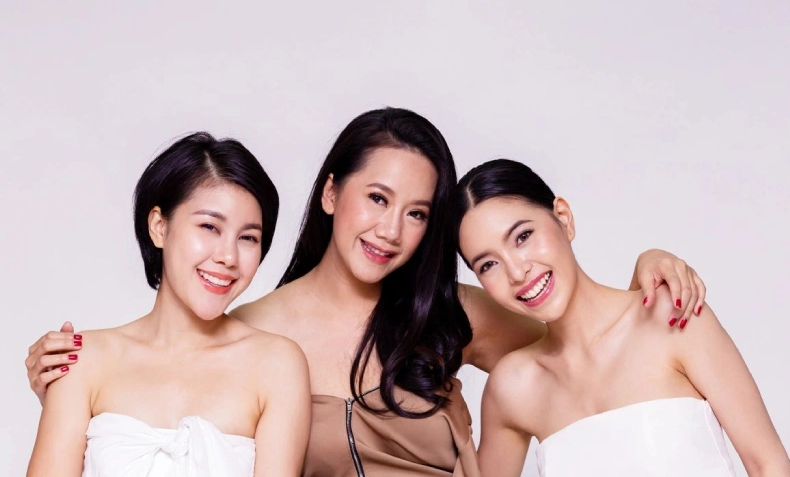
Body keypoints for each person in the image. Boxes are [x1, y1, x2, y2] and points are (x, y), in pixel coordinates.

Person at [26, 109, 706, 477]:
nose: (391, 229)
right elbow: (163, 397)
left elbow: (593, 347)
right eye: (376, 198)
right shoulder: (254, 338)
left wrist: (646, 267)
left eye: (417, 213)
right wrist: (69, 381)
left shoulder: (452, 313)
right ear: (329, 193)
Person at [453, 158, 790, 477]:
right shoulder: (514, 387)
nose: (517, 271)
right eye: (488, 265)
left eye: (523, 237)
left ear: (563, 217)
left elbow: (768, 464)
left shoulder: (670, 317)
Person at [26, 132, 311, 477]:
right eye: (209, 226)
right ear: (159, 227)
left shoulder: (277, 365)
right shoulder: (84, 359)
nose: (228, 256)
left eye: (248, 237)